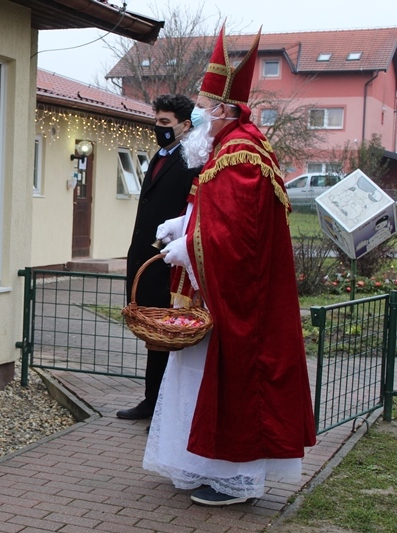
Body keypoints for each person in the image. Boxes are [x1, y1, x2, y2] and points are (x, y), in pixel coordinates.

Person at [143, 25, 316, 506]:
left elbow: (239, 237)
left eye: (203, 104)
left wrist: (190, 248)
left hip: (238, 303)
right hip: (214, 297)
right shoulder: (227, 147)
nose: (196, 113)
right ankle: (200, 464)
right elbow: (216, 212)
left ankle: (230, 480)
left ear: (224, 110)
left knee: (233, 385)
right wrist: (184, 224)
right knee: (200, 381)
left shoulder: (241, 154)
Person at [117, 94, 200, 422]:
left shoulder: (190, 160)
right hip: (145, 258)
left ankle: (164, 410)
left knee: (167, 337)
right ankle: (151, 401)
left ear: (185, 125)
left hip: (168, 264)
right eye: (156, 121)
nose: (158, 127)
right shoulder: (161, 156)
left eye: (165, 122)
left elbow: (189, 213)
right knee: (153, 337)